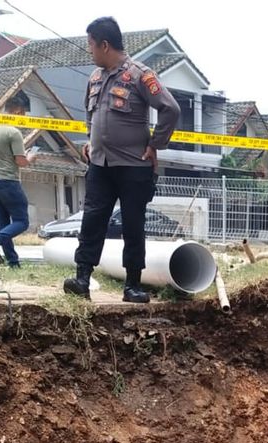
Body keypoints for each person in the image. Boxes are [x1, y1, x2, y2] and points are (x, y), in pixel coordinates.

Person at [63, 16, 181, 303]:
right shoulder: (94, 78)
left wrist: (155, 145)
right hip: (100, 165)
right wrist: (91, 141)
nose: (89, 51)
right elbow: (91, 115)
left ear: (105, 45)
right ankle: (82, 279)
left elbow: (170, 109)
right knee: (92, 220)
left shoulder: (140, 75)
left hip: (133, 166)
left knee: (132, 224)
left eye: (91, 45)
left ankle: (132, 285)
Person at [0, 90, 37, 268]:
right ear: (17, 111)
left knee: (3, 223)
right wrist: (31, 158)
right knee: (22, 222)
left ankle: (12, 262)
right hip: (7, 181)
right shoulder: (13, 132)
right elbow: (20, 162)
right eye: (22, 115)